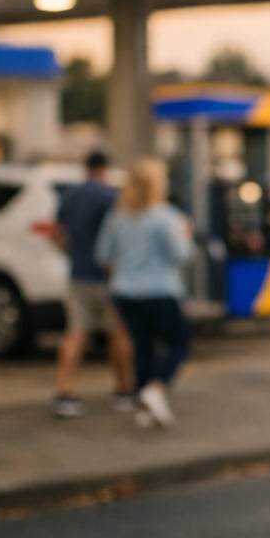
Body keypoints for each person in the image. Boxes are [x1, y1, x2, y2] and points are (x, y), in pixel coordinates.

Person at [95, 156, 194, 428]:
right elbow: (181, 254)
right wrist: (187, 236)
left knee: (144, 348)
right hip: (160, 290)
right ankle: (156, 388)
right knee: (179, 344)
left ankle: (144, 408)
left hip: (125, 292)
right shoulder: (166, 217)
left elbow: (103, 255)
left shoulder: (117, 215)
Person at [52, 149, 133, 419]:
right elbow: (119, 239)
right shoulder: (111, 197)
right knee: (118, 333)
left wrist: (71, 252)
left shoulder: (70, 196)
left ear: (85, 167)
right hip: (106, 278)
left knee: (75, 333)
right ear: (105, 168)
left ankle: (65, 392)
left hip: (78, 275)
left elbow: (57, 231)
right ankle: (123, 391)